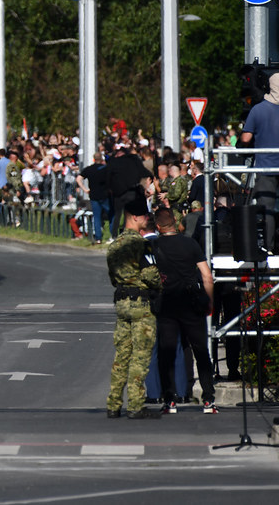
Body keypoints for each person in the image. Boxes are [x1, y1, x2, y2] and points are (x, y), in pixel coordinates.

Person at [151, 208, 218, 414]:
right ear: (174, 221)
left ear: (158, 226)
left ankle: (169, 400)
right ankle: (208, 399)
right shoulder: (190, 243)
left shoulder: (154, 246)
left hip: (167, 303)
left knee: (167, 352)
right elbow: (207, 275)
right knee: (201, 350)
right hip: (191, 302)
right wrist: (209, 301)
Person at [105, 197, 161, 420]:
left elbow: (113, 277)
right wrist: (159, 284)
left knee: (121, 356)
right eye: (145, 216)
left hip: (122, 302)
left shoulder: (114, 245)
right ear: (135, 218)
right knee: (140, 356)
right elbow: (150, 274)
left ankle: (113, 404)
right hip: (141, 304)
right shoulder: (141, 244)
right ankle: (136, 405)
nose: (147, 219)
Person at [239, 72, 279, 251]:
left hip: (266, 167)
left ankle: (269, 247)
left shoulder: (258, 110)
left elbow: (246, 138)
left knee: (267, 209)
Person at [107, 143, 154, 239]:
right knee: (134, 213)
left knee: (118, 214)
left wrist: (110, 189)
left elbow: (108, 177)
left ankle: (114, 235)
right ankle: (137, 231)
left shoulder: (114, 162)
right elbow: (143, 172)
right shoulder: (134, 160)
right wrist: (150, 179)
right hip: (133, 191)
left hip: (119, 193)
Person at [78, 153, 110, 245]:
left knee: (96, 217)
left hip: (93, 196)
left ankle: (98, 238)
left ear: (93, 159)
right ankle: (113, 235)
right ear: (102, 159)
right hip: (105, 195)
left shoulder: (89, 169)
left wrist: (85, 189)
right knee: (111, 215)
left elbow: (79, 179)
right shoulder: (106, 169)